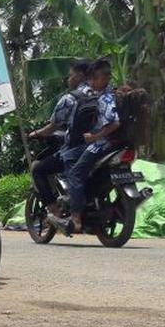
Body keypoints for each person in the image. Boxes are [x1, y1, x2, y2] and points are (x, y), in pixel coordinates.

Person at [62, 58, 121, 233]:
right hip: (115, 144)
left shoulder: (106, 97)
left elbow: (115, 123)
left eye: (93, 80)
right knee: (68, 156)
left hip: (103, 143)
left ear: (100, 79)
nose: (91, 83)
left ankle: (76, 217)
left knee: (75, 173)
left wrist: (96, 136)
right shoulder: (116, 93)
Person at [28, 60, 92, 216]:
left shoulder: (70, 98)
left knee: (38, 169)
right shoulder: (105, 92)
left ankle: (55, 211)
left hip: (77, 148)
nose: (68, 79)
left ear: (80, 76)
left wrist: (35, 134)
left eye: (70, 75)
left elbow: (52, 127)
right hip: (103, 146)